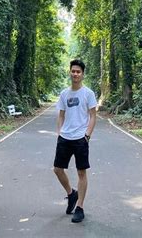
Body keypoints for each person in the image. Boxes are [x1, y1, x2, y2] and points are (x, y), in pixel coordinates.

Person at [53, 59, 97, 223]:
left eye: (78, 72)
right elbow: (61, 115)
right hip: (65, 137)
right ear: (70, 72)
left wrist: (87, 135)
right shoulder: (64, 94)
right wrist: (59, 133)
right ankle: (71, 194)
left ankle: (80, 207)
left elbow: (93, 116)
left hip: (80, 138)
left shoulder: (88, 93)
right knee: (57, 169)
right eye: (73, 71)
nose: (75, 74)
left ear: (82, 74)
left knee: (81, 172)